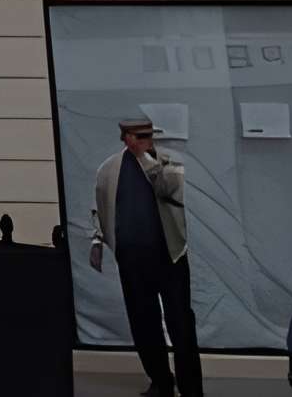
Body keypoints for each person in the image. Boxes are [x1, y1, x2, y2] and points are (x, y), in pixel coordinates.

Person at [90, 110, 203, 397]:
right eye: (141, 137)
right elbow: (101, 207)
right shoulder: (108, 169)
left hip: (170, 258)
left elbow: (170, 191)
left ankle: (191, 388)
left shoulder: (168, 163)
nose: (147, 141)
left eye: (150, 135)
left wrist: (146, 159)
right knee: (143, 322)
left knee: (181, 324)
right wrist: (97, 239)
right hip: (132, 260)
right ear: (126, 138)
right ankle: (161, 381)